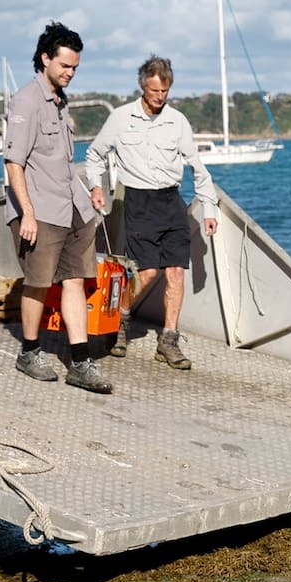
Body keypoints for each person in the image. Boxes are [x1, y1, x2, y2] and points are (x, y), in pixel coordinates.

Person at [83, 55, 219, 368]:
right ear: (144, 87)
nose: (160, 97)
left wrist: (209, 207)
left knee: (175, 273)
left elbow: (197, 167)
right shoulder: (121, 118)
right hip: (139, 202)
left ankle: (168, 341)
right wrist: (96, 186)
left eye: (165, 91)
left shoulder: (177, 121)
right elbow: (94, 155)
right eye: (155, 91)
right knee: (146, 274)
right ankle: (122, 322)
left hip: (171, 202)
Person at [3, 21, 111, 394]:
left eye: (75, 68)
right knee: (37, 284)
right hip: (41, 209)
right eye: (65, 66)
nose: (70, 73)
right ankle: (29, 352)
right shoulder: (27, 101)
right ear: (45, 58)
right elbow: (13, 162)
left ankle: (80, 361)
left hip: (72, 206)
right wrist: (27, 214)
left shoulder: (61, 101)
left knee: (75, 280)